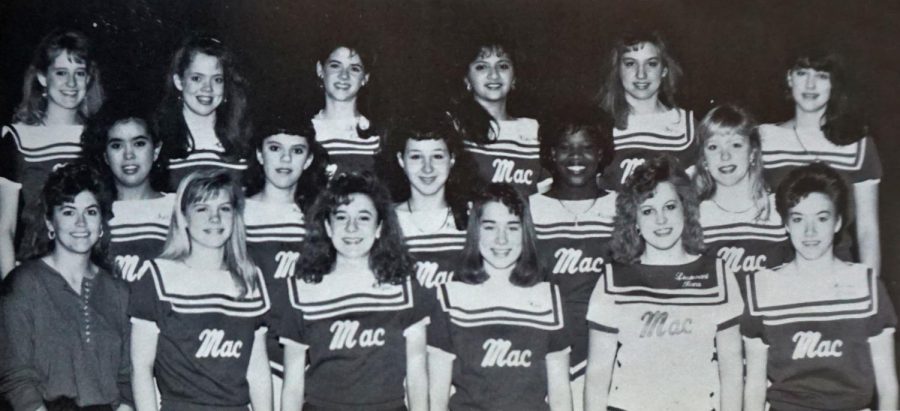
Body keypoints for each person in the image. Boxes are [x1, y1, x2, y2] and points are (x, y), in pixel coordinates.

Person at [583, 155, 743, 411]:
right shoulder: (614, 280)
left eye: (669, 207)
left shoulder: (717, 274)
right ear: (634, 221)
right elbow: (596, 377)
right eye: (647, 211)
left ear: (685, 208)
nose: (661, 220)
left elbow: (732, 372)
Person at [742, 163, 898, 411]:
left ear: (838, 223)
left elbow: (888, 387)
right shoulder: (763, 287)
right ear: (785, 224)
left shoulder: (864, 285)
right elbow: (755, 387)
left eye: (822, 218)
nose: (810, 231)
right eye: (798, 218)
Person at [278, 172, 429, 411]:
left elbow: (417, 372)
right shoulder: (303, 291)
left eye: (363, 218)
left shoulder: (406, 288)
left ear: (379, 227)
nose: (352, 228)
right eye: (341, 217)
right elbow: (293, 385)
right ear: (327, 226)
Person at [129, 169, 272, 411]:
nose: (214, 219)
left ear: (235, 217)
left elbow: (257, 370)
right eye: (202, 209)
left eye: (224, 209)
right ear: (183, 217)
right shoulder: (157, 275)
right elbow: (140, 368)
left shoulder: (250, 278)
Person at [428, 183, 572, 411]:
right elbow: (436, 397)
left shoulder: (548, 297)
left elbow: (561, 394)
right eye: (490, 227)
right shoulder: (449, 297)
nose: (501, 239)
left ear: (525, 233)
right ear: (475, 231)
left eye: (512, 227)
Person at [0, 163, 132, 411]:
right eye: (69, 212)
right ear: (50, 223)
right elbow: (16, 377)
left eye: (91, 212)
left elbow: (126, 379)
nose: (81, 223)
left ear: (101, 224)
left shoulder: (118, 291)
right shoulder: (24, 284)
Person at [758, 48, 881, 274]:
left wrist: (869, 286)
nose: (811, 85)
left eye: (822, 76)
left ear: (834, 83)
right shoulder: (764, 139)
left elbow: (867, 229)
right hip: (774, 268)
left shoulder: (857, 145)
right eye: (803, 73)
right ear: (789, 77)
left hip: (835, 269)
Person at [529, 108, 616, 409]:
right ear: (551, 153)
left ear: (602, 152)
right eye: (565, 147)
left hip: (609, 352)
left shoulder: (622, 208)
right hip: (548, 351)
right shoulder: (530, 209)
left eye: (587, 147)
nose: (576, 157)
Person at [0, 29, 105, 277]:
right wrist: (10, 285)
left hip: (89, 270)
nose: (71, 84)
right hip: (32, 268)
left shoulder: (100, 137)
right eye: (61, 73)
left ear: (88, 79)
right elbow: (4, 226)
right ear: (43, 78)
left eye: (79, 74)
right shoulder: (17, 138)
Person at [242, 112, 327, 409]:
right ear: (259, 154)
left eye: (297, 150)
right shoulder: (238, 215)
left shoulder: (320, 219)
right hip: (252, 357)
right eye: (275, 148)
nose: (285, 159)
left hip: (306, 357)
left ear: (308, 160)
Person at [693, 105, 790, 293]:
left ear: (753, 153)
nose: (725, 155)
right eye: (713, 147)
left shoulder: (779, 210)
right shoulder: (696, 217)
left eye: (736, 145)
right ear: (704, 160)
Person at [377, 114, 474, 289]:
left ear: (452, 159)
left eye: (437, 156)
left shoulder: (473, 218)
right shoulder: (384, 221)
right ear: (401, 160)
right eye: (416, 157)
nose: (427, 168)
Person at [80, 103, 173, 283]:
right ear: (105, 156)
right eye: (117, 145)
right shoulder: (91, 212)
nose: (128, 155)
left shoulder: (177, 208)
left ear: (156, 150)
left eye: (139, 143)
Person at [597, 29, 697, 191]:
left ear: (664, 70)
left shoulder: (687, 128)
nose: (641, 74)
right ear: (618, 70)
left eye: (651, 64)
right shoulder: (600, 126)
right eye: (630, 64)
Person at [449, 38, 548, 195]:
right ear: (466, 79)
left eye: (503, 66)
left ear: (514, 78)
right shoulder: (452, 127)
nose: (493, 75)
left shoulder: (533, 130)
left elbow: (546, 195)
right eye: (481, 67)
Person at [154, 35, 250, 192]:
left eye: (217, 80)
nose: (208, 88)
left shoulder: (242, 139)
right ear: (179, 81)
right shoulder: (159, 138)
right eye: (197, 78)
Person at [312, 40, 381, 178]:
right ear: (320, 69)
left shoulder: (378, 136)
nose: (344, 75)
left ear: (365, 78)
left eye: (354, 68)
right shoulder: (306, 131)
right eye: (335, 66)